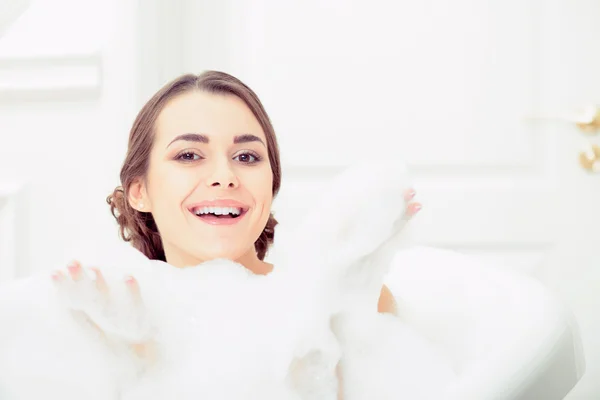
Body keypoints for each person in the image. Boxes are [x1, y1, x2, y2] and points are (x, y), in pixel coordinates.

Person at [51, 70, 422, 393]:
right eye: (189, 155)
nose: (224, 178)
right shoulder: (99, 313)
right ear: (139, 191)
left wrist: (338, 321)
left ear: (271, 182)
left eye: (247, 157)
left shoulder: (349, 299)